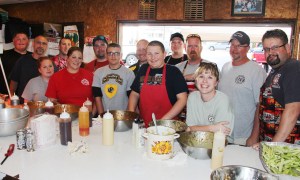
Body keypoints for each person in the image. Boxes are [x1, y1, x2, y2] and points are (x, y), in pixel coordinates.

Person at [247, 29, 300, 146]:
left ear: (287, 48)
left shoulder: (293, 68)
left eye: (275, 47)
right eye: (266, 49)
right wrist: (253, 137)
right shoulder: (273, 73)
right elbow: (261, 107)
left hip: (286, 149)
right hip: (267, 143)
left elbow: (293, 110)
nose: (270, 52)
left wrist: (272, 147)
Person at [218, 31, 267, 145]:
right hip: (223, 133)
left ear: (248, 48)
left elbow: (260, 106)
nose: (234, 49)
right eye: (232, 45)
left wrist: (254, 136)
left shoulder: (256, 71)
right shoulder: (225, 68)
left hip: (244, 137)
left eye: (239, 46)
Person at [128, 40, 188, 127]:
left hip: (168, 126)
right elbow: (134, 94)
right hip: (145, 125)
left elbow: (182, 99)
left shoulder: (173, 71)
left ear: (164, 54)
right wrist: (131, 114)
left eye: (156, 53)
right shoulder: (143, 69)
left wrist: (162, 121)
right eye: (149, 54)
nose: (153, 57)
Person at [186, 62, 234, 138]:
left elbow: (221, 134)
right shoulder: (192, 97)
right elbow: (190, 128)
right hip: (197, 141)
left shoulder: (222, 100)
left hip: (222, 144)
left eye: (210, 77)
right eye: (201, 76)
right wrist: (212, 128)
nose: (205, 81)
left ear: (216, 83)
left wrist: (195, 129)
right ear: (196, 80)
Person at [92, 43, 135, 114]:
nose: (113, 56)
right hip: (105, 114)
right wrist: (102, 115)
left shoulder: (129, 73)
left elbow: (132, 98)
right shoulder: (98, 72)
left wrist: (127, 115)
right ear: (106, 55)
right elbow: (97, 97)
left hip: (123, 114)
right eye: (110, 53)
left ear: (121, 55)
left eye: (117, 53)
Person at [10, 35, 49, 103]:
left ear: (47, 46)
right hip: (23, 104)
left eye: (44, 43)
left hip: (45, 105)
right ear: (33, 44)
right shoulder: (22, 60)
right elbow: (14, 82)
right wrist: (11, 97)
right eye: (38, 43)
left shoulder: (51, 64)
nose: (41, 45)